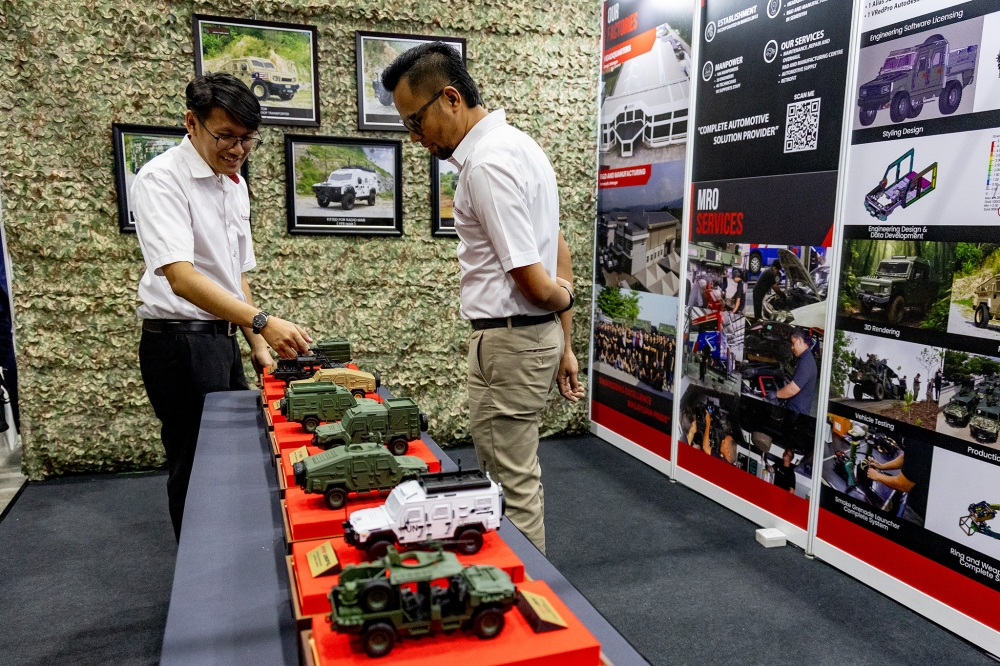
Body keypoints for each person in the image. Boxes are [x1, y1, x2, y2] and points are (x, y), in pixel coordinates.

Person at [381, 43, 585, 554]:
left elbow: (539, 284)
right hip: (528, 339)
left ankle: (526, 596)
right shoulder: (521, 146)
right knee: (516, 477)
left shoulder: (486, 165)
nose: (416, 138)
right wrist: (564, 338)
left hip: (510, 344)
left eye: (416, 121)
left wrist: (563, 300)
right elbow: (556, 244)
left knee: (507, 488)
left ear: (450, 97)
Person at [133, 73, 312, 540]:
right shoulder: (161, 179)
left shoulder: (233, 186)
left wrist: (259, 346)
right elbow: (181, 277)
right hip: (178, 345)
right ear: (191, 123)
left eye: (247, 139)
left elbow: (236, 277)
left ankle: (230, 554)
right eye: (225, 136)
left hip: (222, 339)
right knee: (195, 466)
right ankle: (199, 582)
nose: (236, 150)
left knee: (238, 457)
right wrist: (262, 322)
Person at [867, 440, 931, 526]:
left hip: (919, 510)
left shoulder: (919, 443)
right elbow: (906, 457)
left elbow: (903, 485)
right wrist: (881, 466)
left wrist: (876, 476)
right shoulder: (914, 442)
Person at [776, 328, 816, 414]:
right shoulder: (805, 358)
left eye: (793, 343)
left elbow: (791, 390)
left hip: (796, 411)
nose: (792, 347)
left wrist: (775, 394)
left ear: (800, 341)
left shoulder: (806, 363)